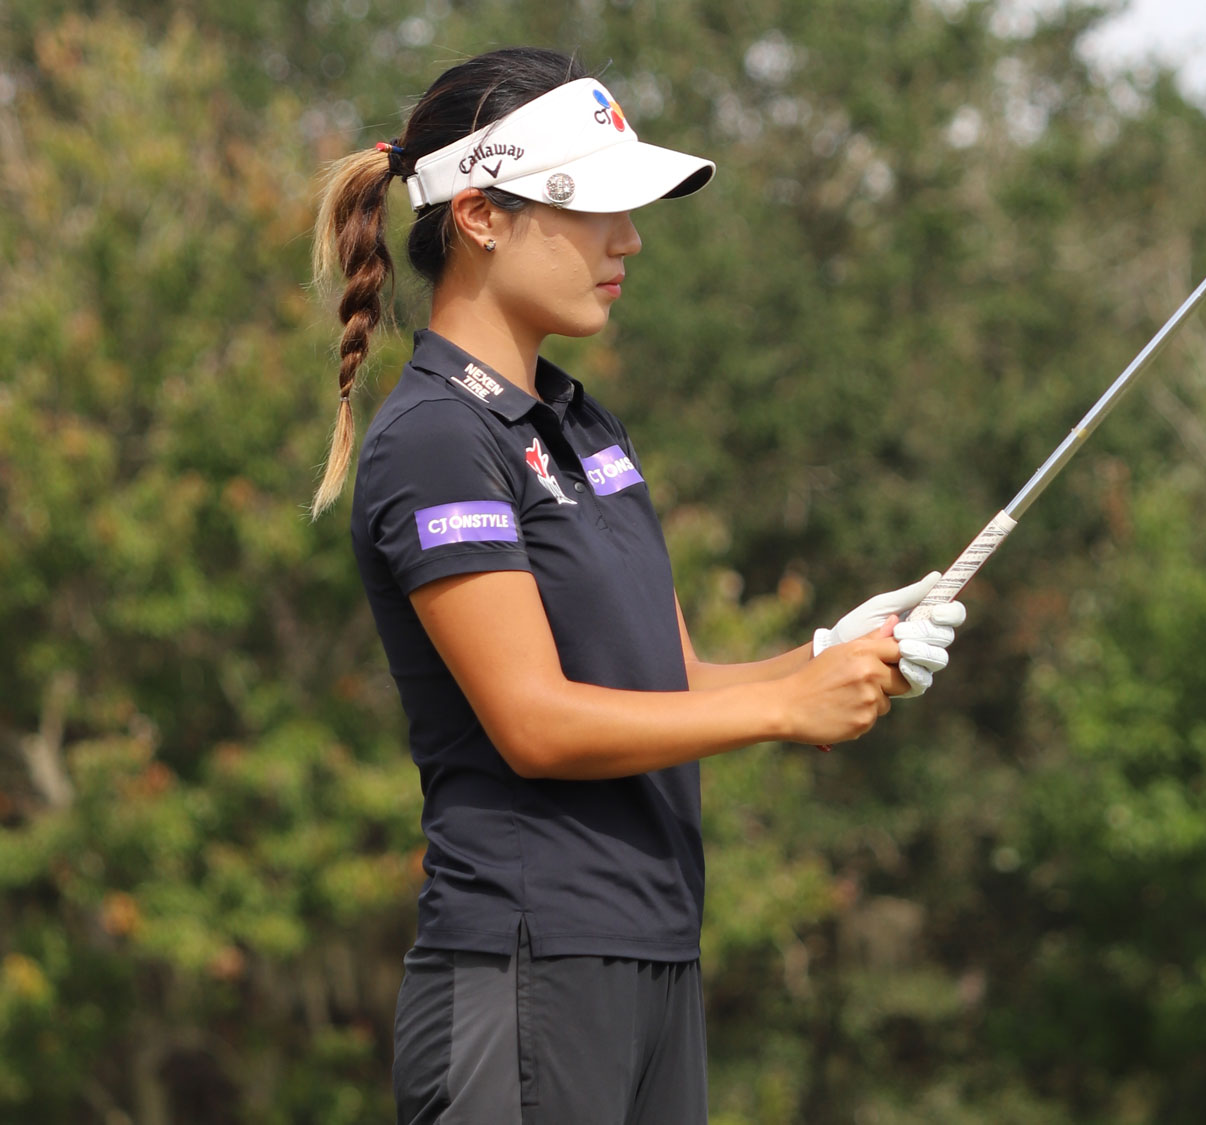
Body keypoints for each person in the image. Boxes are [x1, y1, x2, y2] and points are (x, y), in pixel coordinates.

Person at [308, 47, 965, 1124]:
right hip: (527, 968)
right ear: (479, 214)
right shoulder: (435, 440)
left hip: (651, 956)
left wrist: (825, 658)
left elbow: (669, 681)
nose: (630, 240)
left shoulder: (582, 425)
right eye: (594, 209)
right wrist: (785, 711)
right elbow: (531, 722)